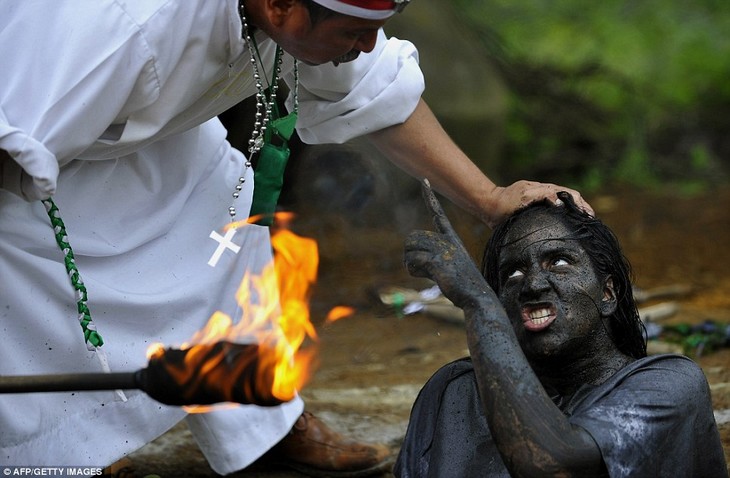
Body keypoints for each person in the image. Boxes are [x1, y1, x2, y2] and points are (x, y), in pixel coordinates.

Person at [0, 0, 591, 476]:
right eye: (356, 31)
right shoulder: (119, 24)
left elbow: (377, 90)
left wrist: (490, 200)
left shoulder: (303, 13)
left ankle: (260, 423)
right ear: (282, 8)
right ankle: (65, 452)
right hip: (21, 170)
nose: (366, 43)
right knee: (25, 291)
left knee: (227, 202)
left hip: (139, 151)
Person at [395, 185, 728, 477]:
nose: (533, 285)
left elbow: (554, 465)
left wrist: (480, 305)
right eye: (512, 273)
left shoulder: (670, 385)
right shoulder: (454, 391)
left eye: (559, 262)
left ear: (607, 293)